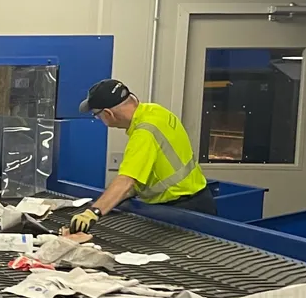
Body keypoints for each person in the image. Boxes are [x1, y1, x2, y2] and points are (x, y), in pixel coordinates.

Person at [69, 79, 213, 233]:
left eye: (97, 116)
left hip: (183, 212)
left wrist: (93, 212)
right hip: (200, 200)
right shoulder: (156, 111)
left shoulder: (144, 134)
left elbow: (126, 180)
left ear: (108, 114)